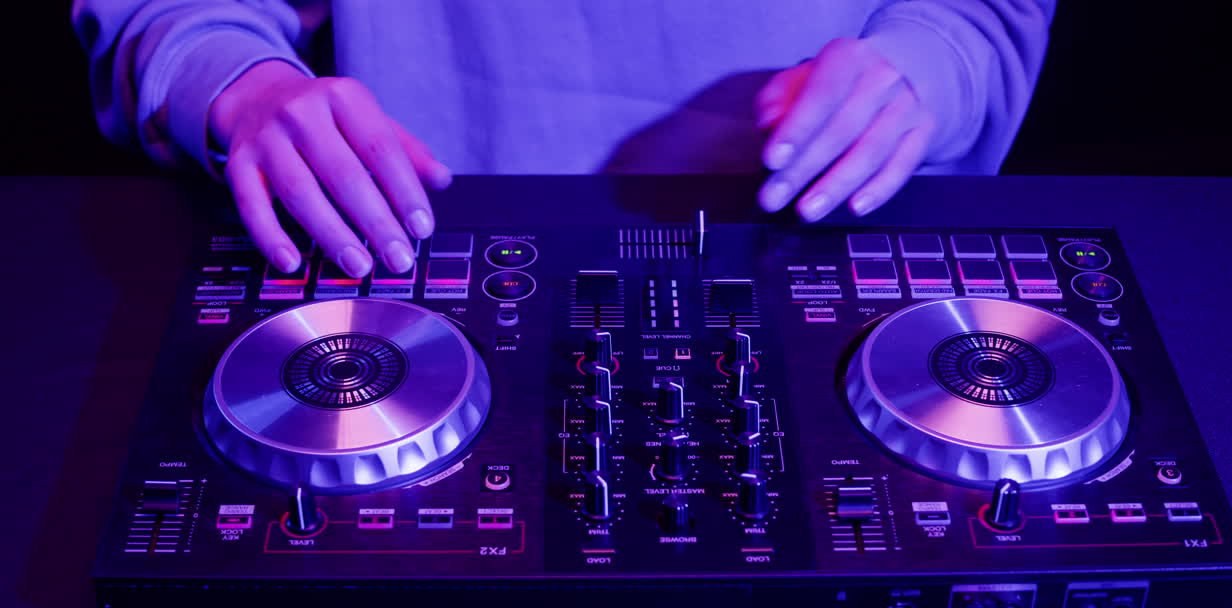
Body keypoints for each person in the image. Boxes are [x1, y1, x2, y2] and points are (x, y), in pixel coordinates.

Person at [72, 1, 1054, 277]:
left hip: (809, 247)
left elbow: (982, 13)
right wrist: (244, 87)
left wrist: (918, 64)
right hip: (401, 256)